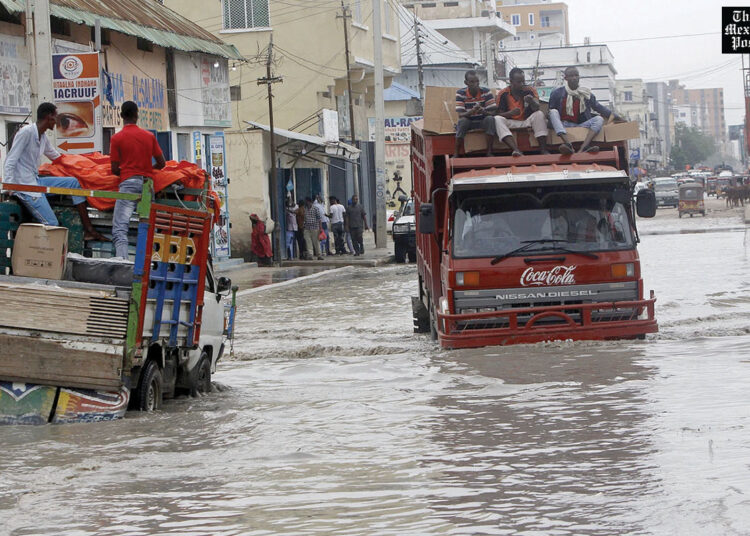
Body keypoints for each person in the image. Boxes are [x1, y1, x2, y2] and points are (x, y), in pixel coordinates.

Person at [3, 102, 107, 241]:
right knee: (52, 224)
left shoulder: (43, 137)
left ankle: (88, 229)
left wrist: (85, 166)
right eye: (55, 117)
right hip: (26, 186)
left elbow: (57, 157)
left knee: (74, 183)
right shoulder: (26, 133)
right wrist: (10, 186)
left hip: (36, 181)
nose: (57, 121)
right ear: (48, 117)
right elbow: (10, 160)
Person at [109, 100, 166, 258]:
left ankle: (124, 264)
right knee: (149, 228)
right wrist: (146, 170)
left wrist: (128, 172)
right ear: (136, 115)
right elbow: (162, 163)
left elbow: (114, 169)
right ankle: (149, 265)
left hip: (128, 184)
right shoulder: (149, 136)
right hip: (147, 185)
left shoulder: (116, 138)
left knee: (120, 228)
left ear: (121, 116)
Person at [548, 67, 625, 154]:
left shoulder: (585, 93)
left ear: (579, 77)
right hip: (563, 125)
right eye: (571, 76)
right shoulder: (557, 93)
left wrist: (617, 117)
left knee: (599, 119)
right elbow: (550, 112)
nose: (574, 78)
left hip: (581, 125)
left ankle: (584, 147)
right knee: (553, 112)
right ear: (566, 78)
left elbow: (599, 107)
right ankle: (568, 144)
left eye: (576, 75)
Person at [494, 68, 549, 156]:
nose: (522, 84)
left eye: (523, 81)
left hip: (527, 120)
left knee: (539, 114)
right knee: (497, 119)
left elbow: (537, 107)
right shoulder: (502, 93)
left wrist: (531, 101)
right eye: (519, 82)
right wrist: (510, 113)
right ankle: (516, 150)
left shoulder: (530, 90)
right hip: (511, 121)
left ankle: (543, 150)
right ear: (511, 81)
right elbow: (498, 114)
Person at [454, 70, 497, 157]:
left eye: (477, 81)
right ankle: (456, 153)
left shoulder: (486, 92)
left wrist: (483, 111)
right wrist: (471, 111)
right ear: (466, 83)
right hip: (469, 121)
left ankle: (489, 152)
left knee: (490, 119)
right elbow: (460, 114)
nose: (476, 84)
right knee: (462, 122)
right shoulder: (460, 93)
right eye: (472, 82)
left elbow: (493, 112)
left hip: (482, 120)